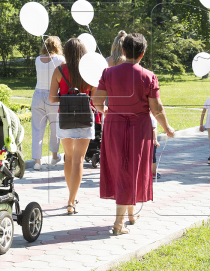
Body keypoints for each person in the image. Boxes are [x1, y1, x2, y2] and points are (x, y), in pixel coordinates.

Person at [94, 33, 175, 235]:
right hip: (138, 128)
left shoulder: (108, 73)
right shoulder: (148, 76)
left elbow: (96, 101)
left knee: (123, 168)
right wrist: (167, 128)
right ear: (142, 54)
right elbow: (156, 109)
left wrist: (105, 111)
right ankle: (118, 223)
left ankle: (130, 214)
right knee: (131, 169)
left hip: (114, 126)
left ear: (123, 51)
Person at [48, 38, 95, 215]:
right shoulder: (89, 71)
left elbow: (52, 99)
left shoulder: (59, 70)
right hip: (84, 116)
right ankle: (71, 201)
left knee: (68, 157)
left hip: (65, 116)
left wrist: (67, 98)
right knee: (79, 160)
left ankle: (71, 196)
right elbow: (95, 98)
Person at [31, 36, 65, 171]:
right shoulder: (60, 59)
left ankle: (37, 161)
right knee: (54, 128)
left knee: (37, 129)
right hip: (53, 95)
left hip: (37, 94)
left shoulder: (37, 59)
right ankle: (54, 156)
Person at [150, 113, 161, 179]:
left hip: (140, 141)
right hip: (150, 141)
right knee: (152, 157)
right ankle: (153, 173)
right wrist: (155, 140)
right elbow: (154, 129)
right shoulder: (152, 117)